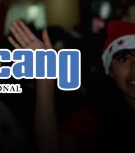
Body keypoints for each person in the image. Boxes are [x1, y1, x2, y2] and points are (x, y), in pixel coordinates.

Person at [8, 18, 135, 153]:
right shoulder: (96, 120)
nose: (134, 69)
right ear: (110, 69)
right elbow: (51, 147)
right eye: (123, 59)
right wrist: (45, 76)